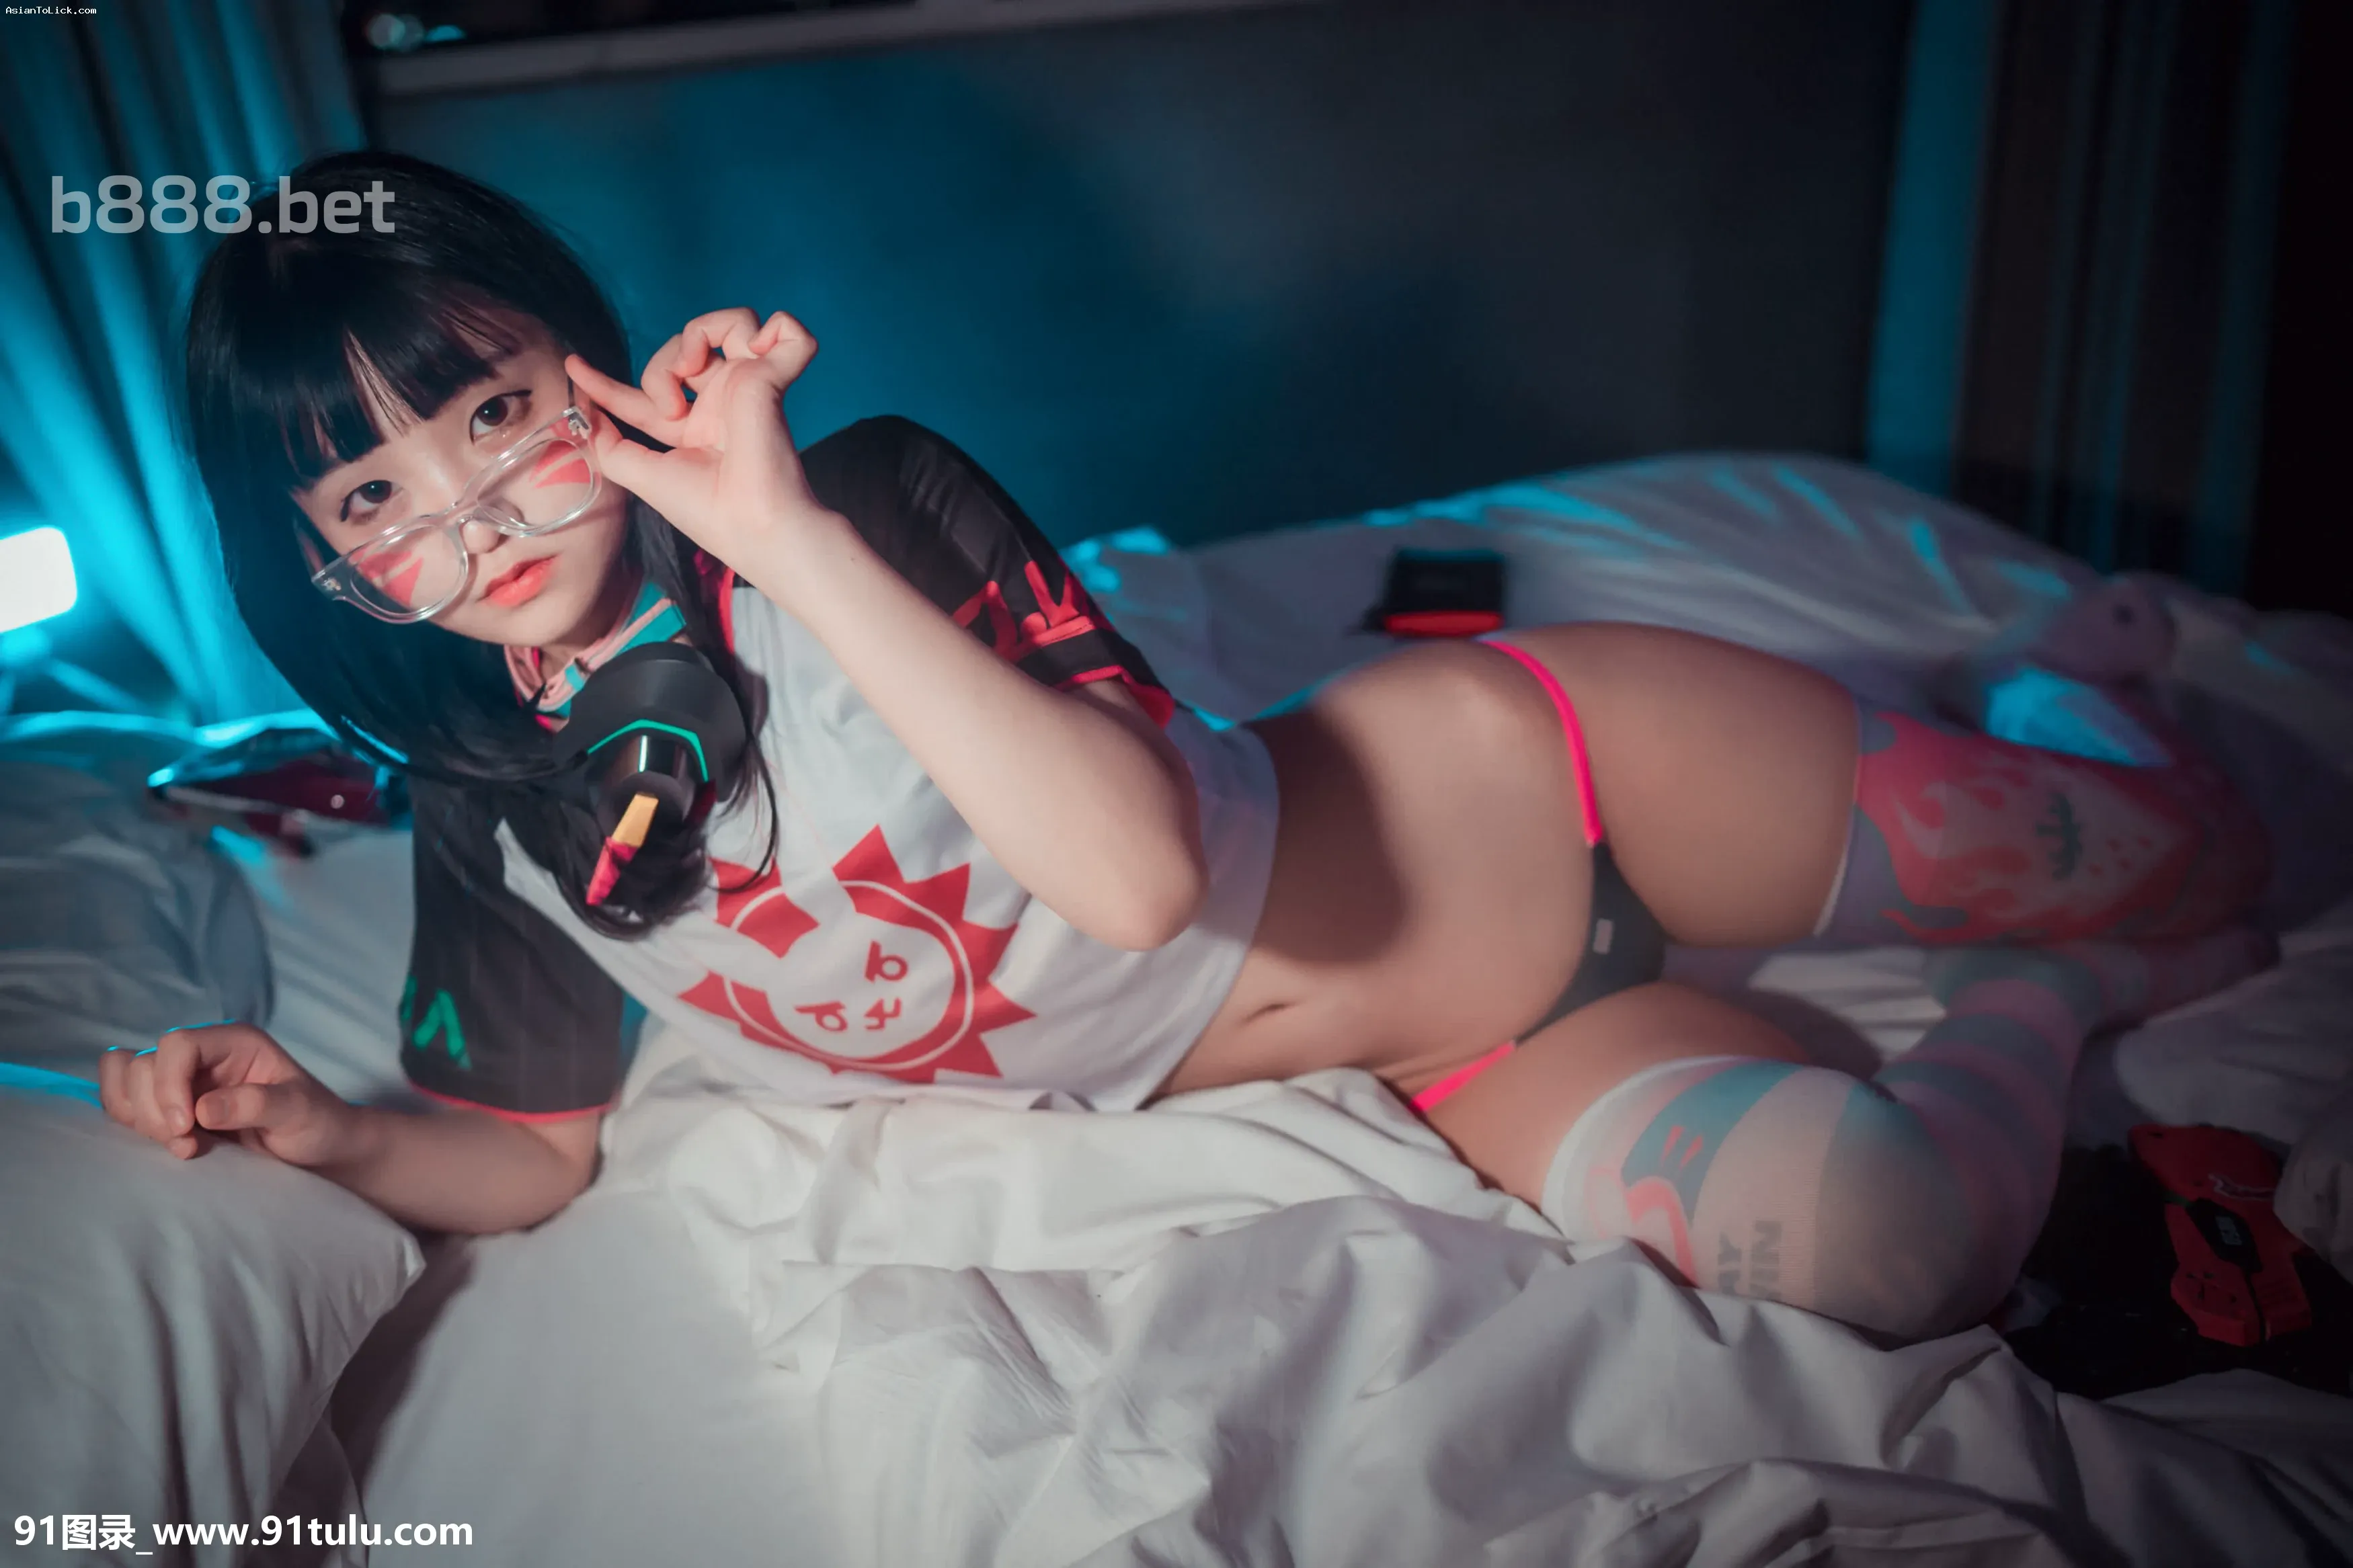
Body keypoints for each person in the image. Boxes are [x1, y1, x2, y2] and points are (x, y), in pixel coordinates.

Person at [102, 151, 2274, 1342]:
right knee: (1896, 1251)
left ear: (582, 372)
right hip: (1453, 1050)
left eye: (494, 413)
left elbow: (1136, 874)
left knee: (2209, 857)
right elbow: (533, 1148)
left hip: (1548, 776)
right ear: (324, 562)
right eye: (375, 490)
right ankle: (2045, 997)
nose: (474, 514)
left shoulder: (859, 502)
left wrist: (778, 540)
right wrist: (328, 1129)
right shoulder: (494, 808)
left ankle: (2052, 677)